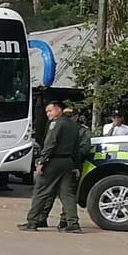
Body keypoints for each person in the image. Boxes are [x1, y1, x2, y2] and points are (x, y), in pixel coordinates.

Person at [20, 99, 85, 231]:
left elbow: (50, 143)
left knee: (41, 191)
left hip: (53, 161)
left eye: (50, 110)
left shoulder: (56, 124)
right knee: (67, 194)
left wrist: (41, 161)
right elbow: (76, 148)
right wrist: (76, 165)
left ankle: (32, 221)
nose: (48, 114)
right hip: (68, 162)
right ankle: (73, 224)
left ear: (59, 109)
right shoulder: (74, 125)